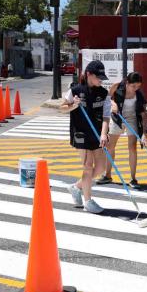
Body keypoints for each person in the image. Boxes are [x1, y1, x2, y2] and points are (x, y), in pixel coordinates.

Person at [60, 60, 112, 214]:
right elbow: (62, 108)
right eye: (98, 77)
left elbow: (106, 116)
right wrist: (73, 105)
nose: (101, 80)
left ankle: (76, 187)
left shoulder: (103, 93)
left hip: (97, 133)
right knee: (88, 166)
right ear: (89, 74)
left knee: (101, 167)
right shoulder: (75, 90)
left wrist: (104, 133)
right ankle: (88, 201)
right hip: (80, 133)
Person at [96, 72, 147, 188]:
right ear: (127, 83)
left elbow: (144, 114)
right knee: (110, 146)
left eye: (138, 86)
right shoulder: (117, 86)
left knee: (132, 148)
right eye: (133, 86)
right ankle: (107, 175)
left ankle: (133, 179)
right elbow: (107, 99)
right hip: (117, 117)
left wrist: (145, 133)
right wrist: (113, 104)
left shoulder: (139, 95)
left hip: (132, 118)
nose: (136, 89)